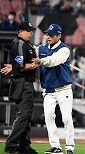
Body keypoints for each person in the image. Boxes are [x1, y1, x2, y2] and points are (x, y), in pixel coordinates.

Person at [32, 24, 75, 154]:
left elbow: (53, 61)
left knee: (66, 118)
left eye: (51, 35)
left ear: (59, 36)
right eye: (47, 34)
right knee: (49, 117)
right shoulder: (42, 48)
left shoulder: (64, 50)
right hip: (48, 90)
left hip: (63, 89)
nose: (48, 36)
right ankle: (55, 146)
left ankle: (70, 147)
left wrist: (40, 61)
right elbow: (29, 53)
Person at [0, 21, 38, 153]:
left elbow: (17, 64)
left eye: (31, 30)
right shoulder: (20, 43)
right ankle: (11, 144)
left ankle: (24, 144)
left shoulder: (27, 44)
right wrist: (35, 64)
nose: (31, 33)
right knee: (24, 114)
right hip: (23, 82)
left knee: (26, 114)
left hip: (26, 82)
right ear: (21, 31)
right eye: (28, 30)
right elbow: (21, 66)